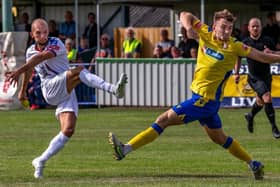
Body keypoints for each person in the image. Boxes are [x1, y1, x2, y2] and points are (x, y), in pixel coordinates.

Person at [108, 9, 280, 180]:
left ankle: (125, 149)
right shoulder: (206, 32)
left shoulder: (235, 46)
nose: (227, 31)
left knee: (163, 120)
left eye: (230, 28)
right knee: (220, 138)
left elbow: (263, 57)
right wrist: (188, 26)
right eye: (223, 27)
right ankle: (253, 164)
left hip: (204, 101)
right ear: (215, 26)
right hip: (206, 102)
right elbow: (185, 14)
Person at [5, 18, 128, 179]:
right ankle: (113, 90)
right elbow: (30, 69)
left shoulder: (57, 43)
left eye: (45, 32)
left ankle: (40, 161)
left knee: (68, 130)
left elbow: (39, 58)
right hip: (50, 89)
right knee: (78, 71)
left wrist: (18, 71)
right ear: (32, 34)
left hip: (66, 89)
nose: (43, 36)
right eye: (38, 33)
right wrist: (22, 92)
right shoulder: (30, 51)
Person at [240, 18, 280, 138]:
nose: (255, 28)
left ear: (261, 27)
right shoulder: (245, 42)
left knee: (260, 102)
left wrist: (271, 52)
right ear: (249, 28)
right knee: (267, 98)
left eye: (257, 26)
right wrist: (236, 73)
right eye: (253, 26)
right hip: (254, 77)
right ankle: (275, 128)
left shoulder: (267, 40)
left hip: (266, 76)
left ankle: (250, 116)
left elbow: (277, 54)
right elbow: (238, 56)